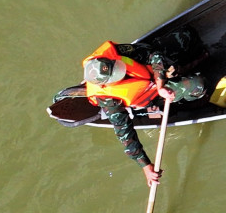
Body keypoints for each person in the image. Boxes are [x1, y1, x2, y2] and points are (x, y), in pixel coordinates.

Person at [78, 34, 207, 183]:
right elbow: (124, 133)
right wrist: (145, 165)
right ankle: (189, 101)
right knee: (198, 85)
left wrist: (160, 84)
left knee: (185, 36)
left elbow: (153, 54)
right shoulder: (107, 99)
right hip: (147, 94)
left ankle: (187, 63)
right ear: (104, 84)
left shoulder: (112, 53)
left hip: (155, 79)